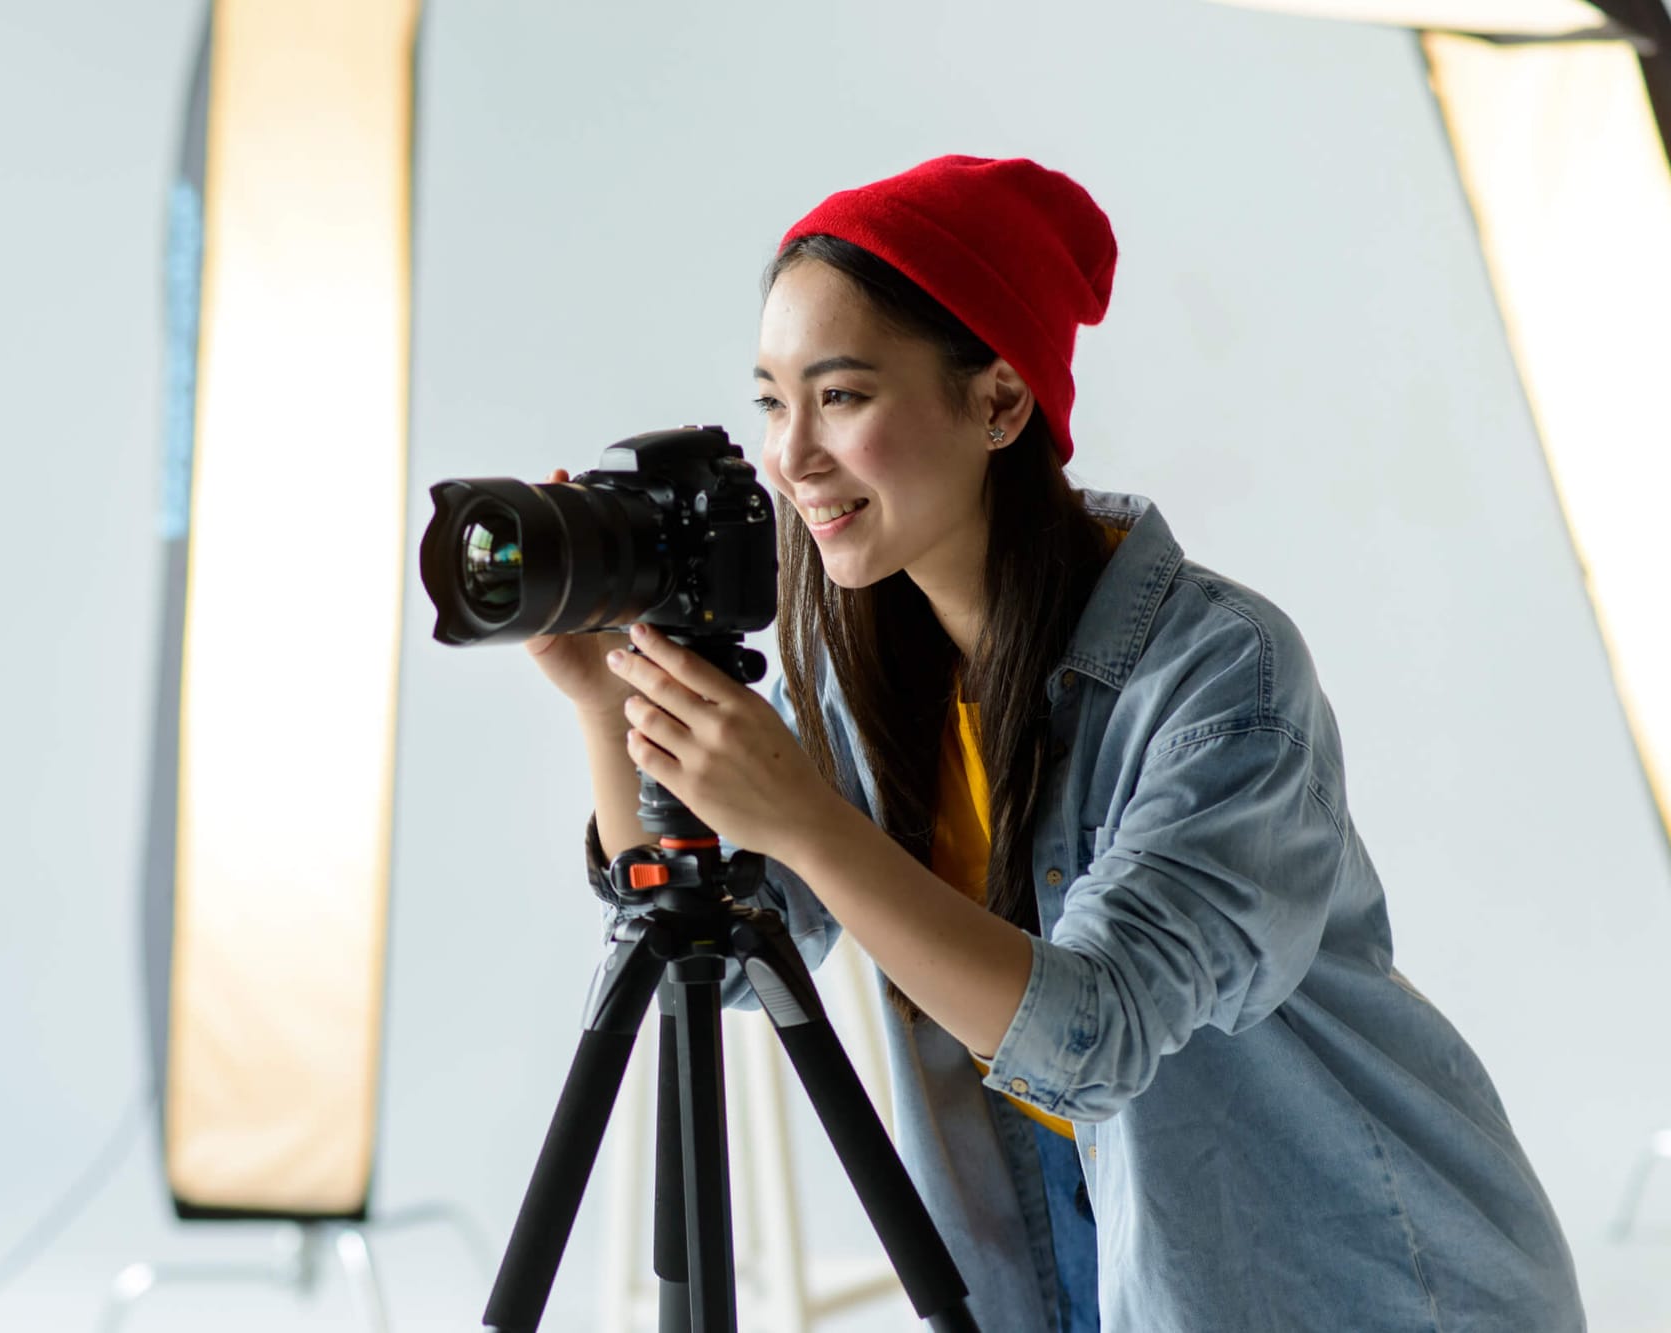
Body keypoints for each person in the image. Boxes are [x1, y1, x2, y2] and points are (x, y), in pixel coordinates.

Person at [525, 155, 1584, 1332]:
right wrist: (596, 702)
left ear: (997, 402)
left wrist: (809, 824)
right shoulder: (875, 679)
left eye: (840, 397)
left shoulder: (1219, 675)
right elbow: (719, 958)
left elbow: (1095, 1033)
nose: (790, 458)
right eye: (772, 402)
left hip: (1366, 1297)